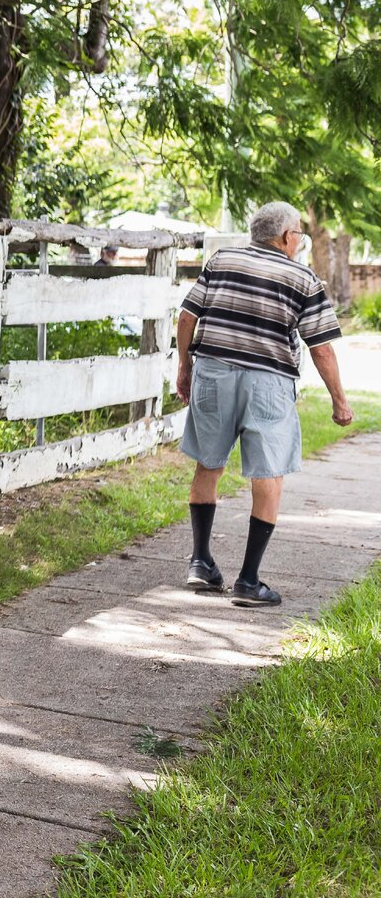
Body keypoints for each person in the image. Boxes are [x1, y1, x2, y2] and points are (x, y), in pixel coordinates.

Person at [174, 201, 354, 607]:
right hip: (268, 383)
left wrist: (184, 368)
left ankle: (201, 563)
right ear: (288, 237)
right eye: (300, 236)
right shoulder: (303, 278)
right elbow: (321, 348)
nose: (301, 243)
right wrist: (339, 401)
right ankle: (248, 582)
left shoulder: (222, 261)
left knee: (209, 463)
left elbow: (187, 317)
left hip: (213, 374)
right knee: (268, 474)